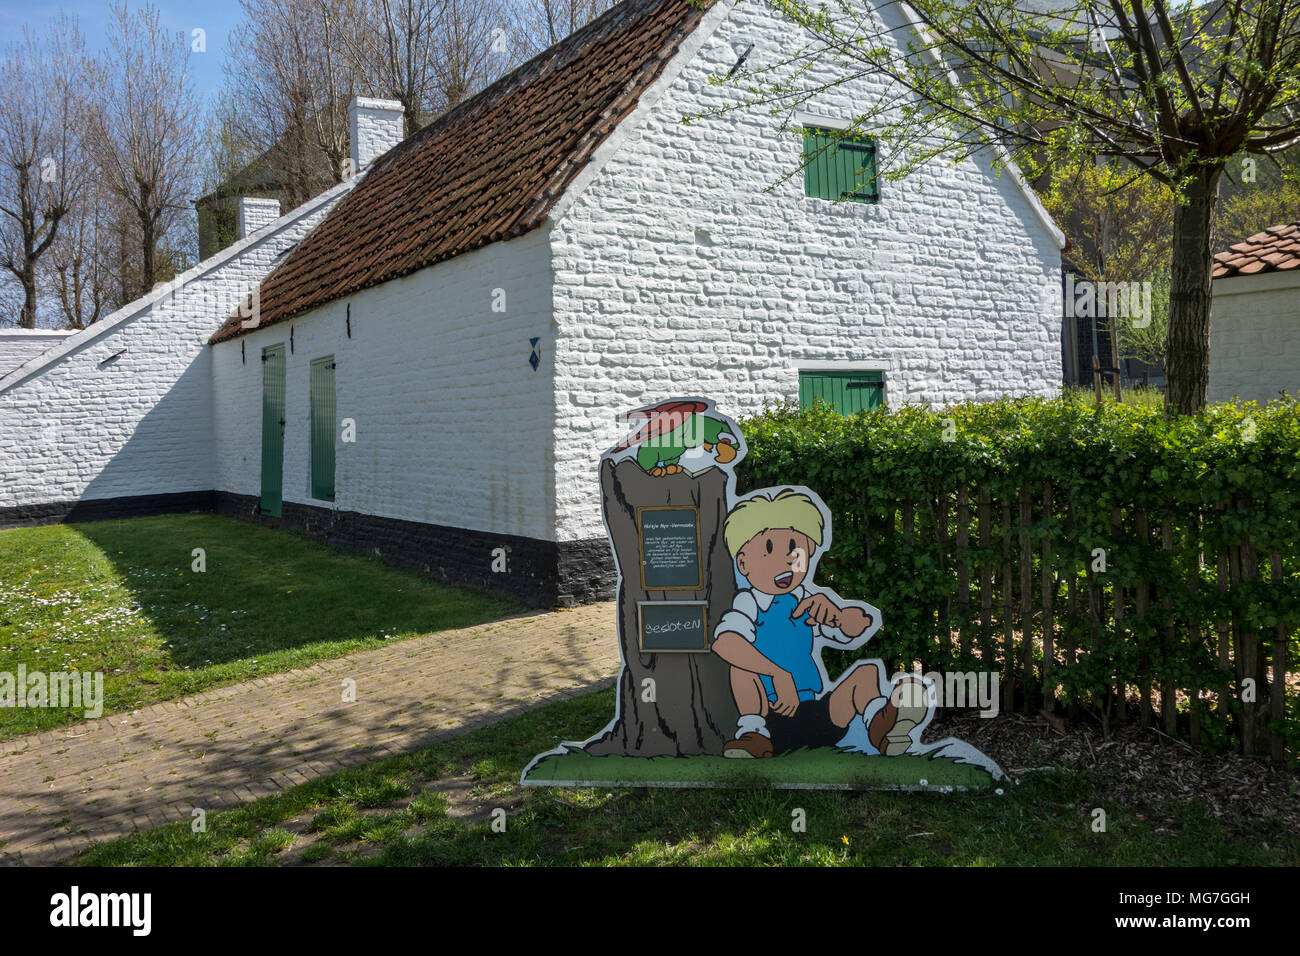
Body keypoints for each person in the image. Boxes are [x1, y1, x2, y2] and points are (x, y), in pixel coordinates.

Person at [711, 488, 930, 758]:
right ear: (743, 563)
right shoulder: (750, 603)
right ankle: (752, 734)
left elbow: (856, 627)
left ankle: (882, 727)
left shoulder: (810, 602)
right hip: (770, 718)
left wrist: (837, 616)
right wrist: (778, 674)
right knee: (741, 665)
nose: (785, 561)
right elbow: (725, 642)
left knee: (867, 673)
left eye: (795, 549)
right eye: (768, 549)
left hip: (814, 714)